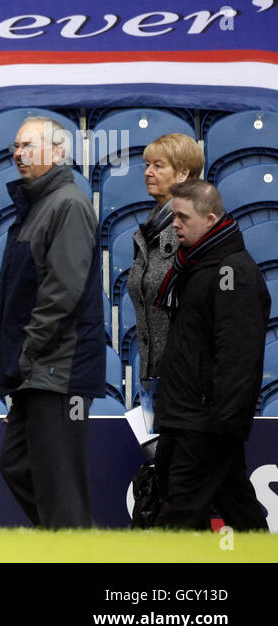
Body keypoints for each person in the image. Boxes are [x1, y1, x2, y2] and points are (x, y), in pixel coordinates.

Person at [0, 117, 106, 529]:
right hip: (37, 370)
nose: (19, 155)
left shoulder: (67, 204)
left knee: (59, 485)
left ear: (58, 154)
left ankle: (72, 546)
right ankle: (62, 541)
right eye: (16, 147)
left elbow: (62, 292)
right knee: (17, 465)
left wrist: (26, 355)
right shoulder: (39, 203)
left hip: (59, 368)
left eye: (29, 146)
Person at [152, 179, 269, 531]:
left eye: (183, 218)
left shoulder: (233, 273)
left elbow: (239, 356)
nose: (174, 225)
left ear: (211, 218)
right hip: (186, 414)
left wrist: (223, 422)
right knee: (239, 507)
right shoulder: (196, 267)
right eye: (173, 217)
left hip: (205, 421)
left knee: (177, 514)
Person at [127, 134, 204, 428]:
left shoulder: (193, 230)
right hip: (154, 379)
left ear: (183, 173)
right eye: (147, 164)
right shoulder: (151, 228)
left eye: (158, 165)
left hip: (185, 385)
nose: (147, 172)